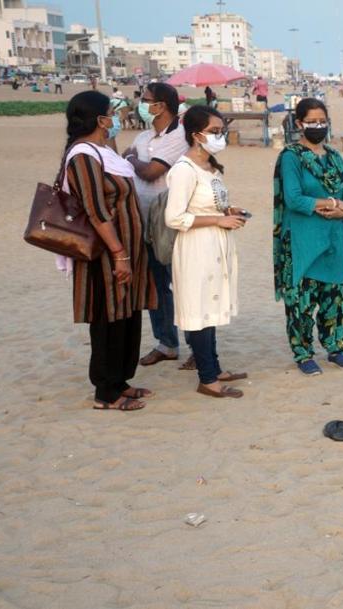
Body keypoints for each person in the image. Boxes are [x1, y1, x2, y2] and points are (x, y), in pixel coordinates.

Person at [61, 91, 156, 411]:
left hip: (127, 249)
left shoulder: (101, 150)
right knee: (107, 318)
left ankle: (120, 381)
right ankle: (105, 392)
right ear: (99, 119)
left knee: (127, 316)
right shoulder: (82, 156)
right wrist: (119, 253)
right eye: (111, 113)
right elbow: (96, 210)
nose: (116, 116)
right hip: (106, 254)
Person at [164, 105, 249, 398]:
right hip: (196, 248)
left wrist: (229, 210)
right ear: (195, 134)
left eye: (221, 130)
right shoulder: (183, 170)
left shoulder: (210, 167)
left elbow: (210, 202)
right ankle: (207, 378)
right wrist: (218, 219)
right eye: (214, 131)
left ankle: (214, 366)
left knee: (211, 307)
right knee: (198, 310)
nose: (219, 136)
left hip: (216, 244)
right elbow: (174, 218)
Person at [274, 98, 343, 376]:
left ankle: (335, 348)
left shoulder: (335, 156)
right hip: (303, 240)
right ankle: (303, 353)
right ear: (299, 124)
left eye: (322, 121)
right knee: (301, 299)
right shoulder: (291, 157)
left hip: (335, 239)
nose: (318, 126)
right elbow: (295, 199)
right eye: (312, 121)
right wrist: (334, 206)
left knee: (333, 295)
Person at [125, 82, 191, 368]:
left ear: (161, 105)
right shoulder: (142, 136)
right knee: (156, 283)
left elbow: (152, 171)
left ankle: (196, 345)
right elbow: (122, 160)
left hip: (170, 221)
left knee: (183, 283)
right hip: (143, 220)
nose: (142, 103)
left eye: (145, 99)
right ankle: (166, 343)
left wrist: (133, 160)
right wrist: (132, 158)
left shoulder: (179, 136)